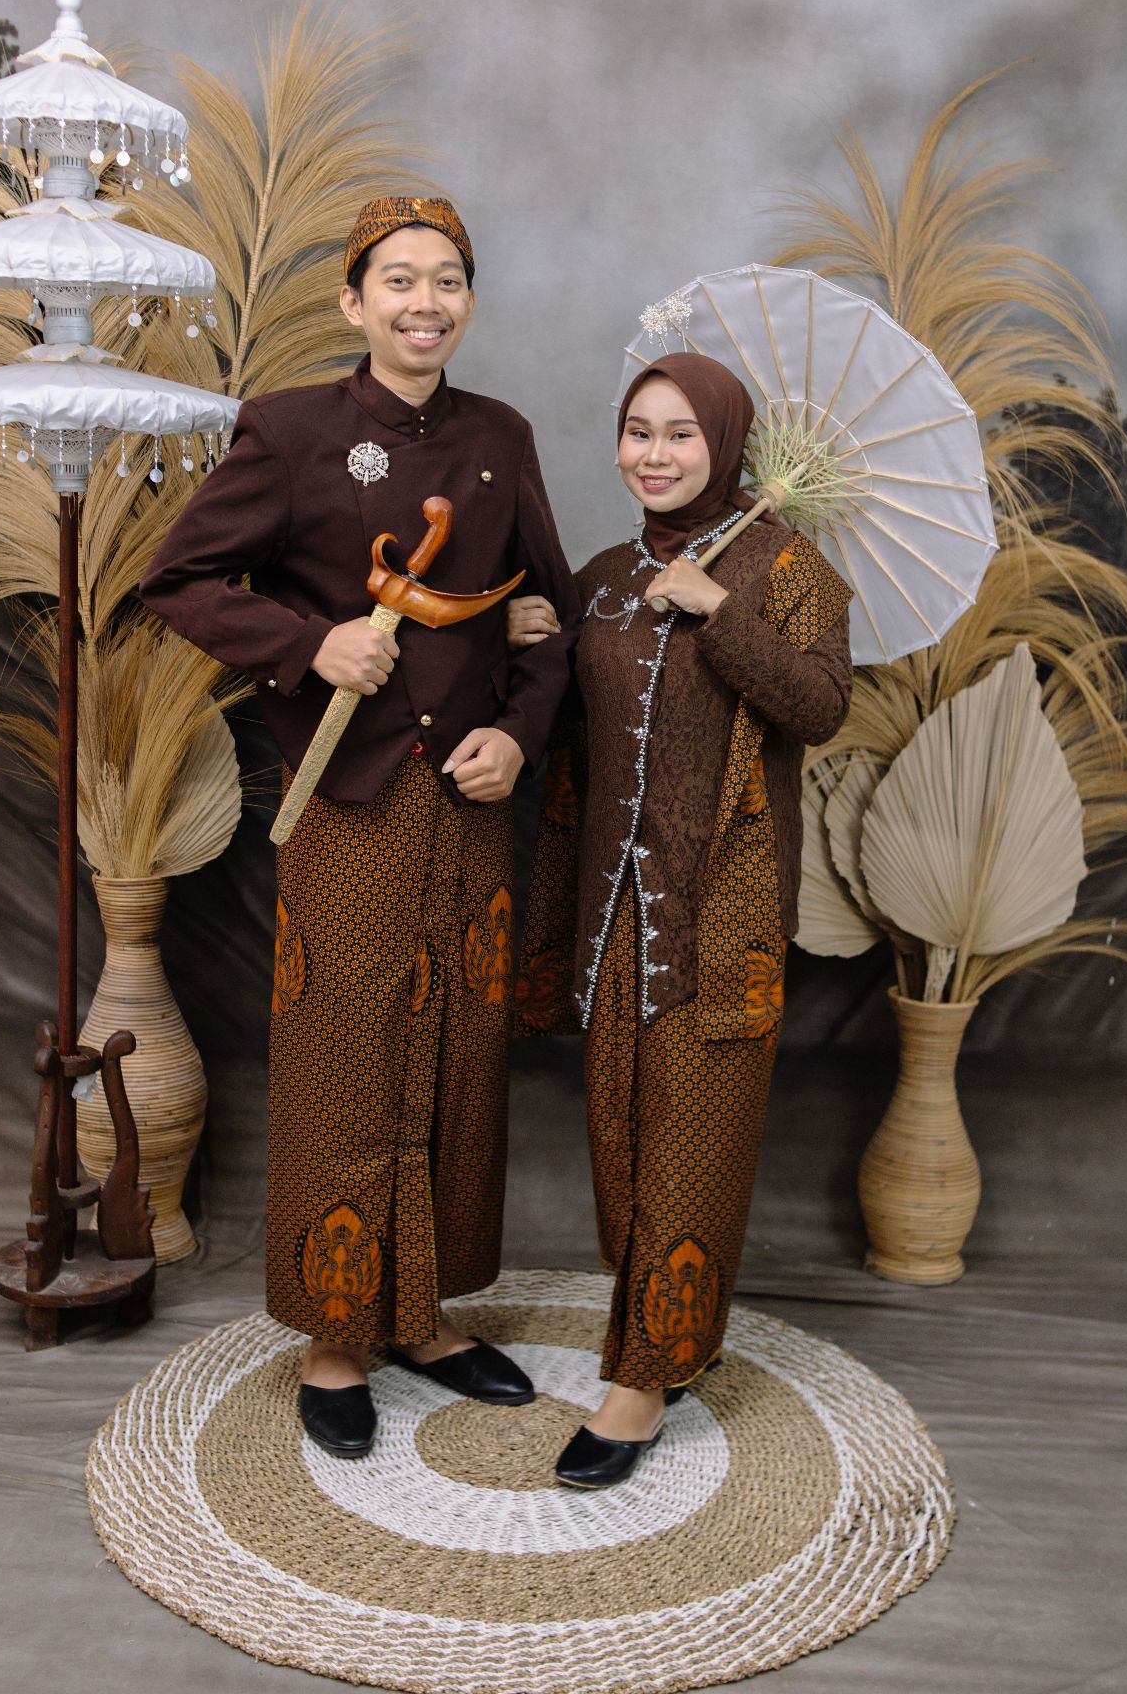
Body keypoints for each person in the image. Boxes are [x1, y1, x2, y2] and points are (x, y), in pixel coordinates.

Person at [140, 196, 578, 1459]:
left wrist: (519, 734)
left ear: (467, 301)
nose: (423, 302)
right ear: (354, 301)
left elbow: (543, 616)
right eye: (398, 280)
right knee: (345, 1060)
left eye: (446, 280)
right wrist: (306, 644)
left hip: (471, 808)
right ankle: (335, 1338)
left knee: (456, 1056)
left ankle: (424, 1319)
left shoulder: (500, 436)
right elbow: (177, 579)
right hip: (348, 798)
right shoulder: (289, 431)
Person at [510, 352, 852, 1488]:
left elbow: (821, 707)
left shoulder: (788, 567)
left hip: (723, 913)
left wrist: (719, 614)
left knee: (694, 1140)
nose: (653, 456)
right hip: (612, 909)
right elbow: (559, 720)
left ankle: (641, 1383)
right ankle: (662, 1332)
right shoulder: (604, 576)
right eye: (637, 432)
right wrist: (522, 638)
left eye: (680, 435)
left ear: (726, 442)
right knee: (618, 1132)